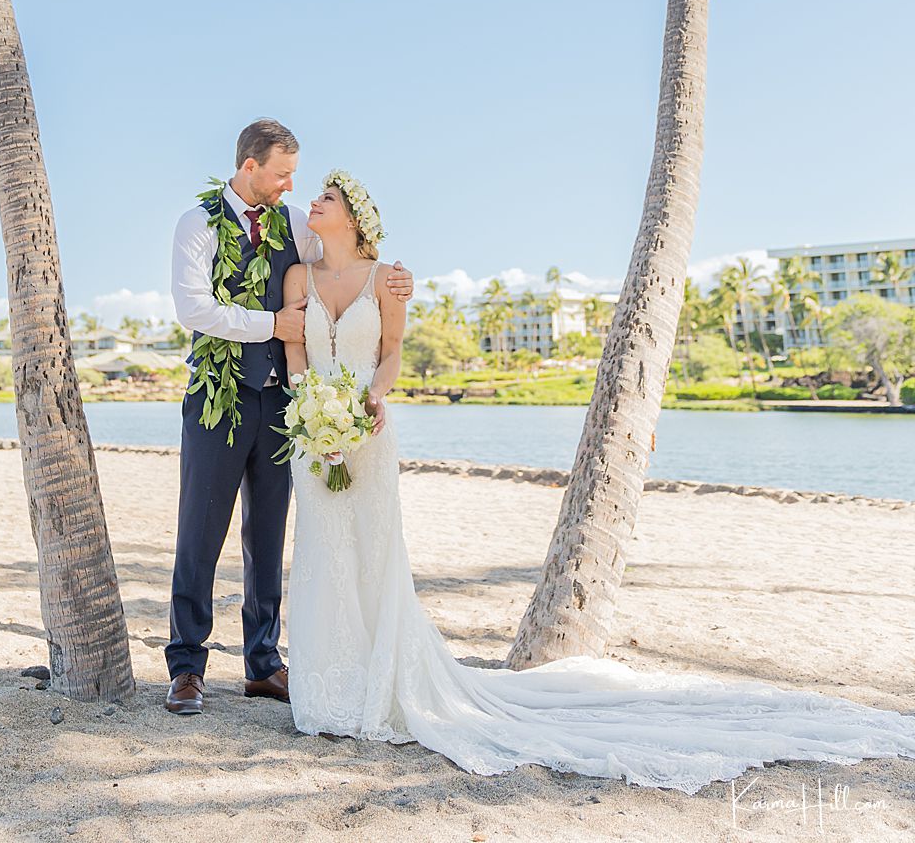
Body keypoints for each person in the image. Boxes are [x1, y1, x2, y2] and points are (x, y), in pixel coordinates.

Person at [279, 171, 915, 791]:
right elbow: (296, 351)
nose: (314, 200)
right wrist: (314, 410)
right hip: (313, 432)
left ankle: (377, 683)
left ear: (355, 216)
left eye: (326, 196)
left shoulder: (387, 281)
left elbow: (391, 352)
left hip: (370, 425)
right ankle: (328, 690)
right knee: (321, 552)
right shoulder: (299, 274)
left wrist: (370, 401)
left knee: (374, 556)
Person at [164, 119, 414, 716]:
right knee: (200, 530)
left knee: (268, 535)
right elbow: (191, 307)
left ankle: (261, 663)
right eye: (281, 174)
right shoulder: (197, 224)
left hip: (284, 404)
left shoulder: (295, 224)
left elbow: (341, 262)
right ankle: (187, 668)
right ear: (249, 167)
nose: (289, 186)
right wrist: (270, 326)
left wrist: (397, 276)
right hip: (218, 399)